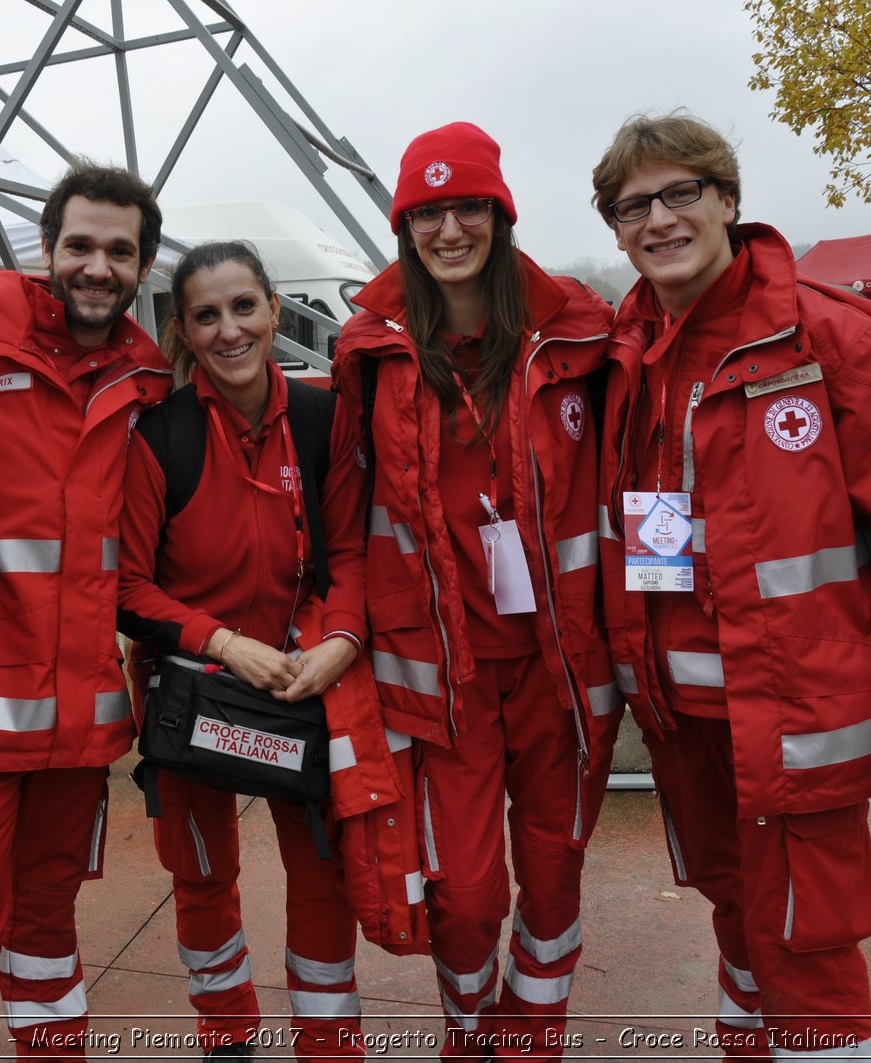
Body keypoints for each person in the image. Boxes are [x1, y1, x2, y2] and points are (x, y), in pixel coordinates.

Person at [589, 111, 871, 1059]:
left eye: (681, 192)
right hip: (686, 716)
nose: (660, 220)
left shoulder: (833, 339)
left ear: (728, 199)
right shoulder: (628, 351)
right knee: (740, 919)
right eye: (633, 205)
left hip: (800, 717)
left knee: (808, 941)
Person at [331, 122, 622, 1060]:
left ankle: (534, 1028)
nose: (448, 228)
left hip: (562, 666)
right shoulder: (369, 350)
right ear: (405, 225)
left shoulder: (581, 333)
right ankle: (469, 1024)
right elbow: (343, 506)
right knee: (461, 891)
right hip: (439, 671)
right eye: (426, 211)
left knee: (554, 863)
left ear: (499, 213)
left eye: (466, 208)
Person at [0, 160, 172, 1061]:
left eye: (120, 251)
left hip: (79, 736)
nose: (98, 265)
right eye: (81, 245)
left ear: (142, 265)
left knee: (50, 938)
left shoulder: (145, 378)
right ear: (46, 249)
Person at [116, 241, 369, 1059]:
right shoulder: (159, 435)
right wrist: (224, 642)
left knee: (325, 874)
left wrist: (338, 636)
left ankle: (329, 1043)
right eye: (206, 315)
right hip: (192, 692)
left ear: (272, 307)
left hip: (304, 682)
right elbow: (124, 585)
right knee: (200, 872)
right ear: (183, 331)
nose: (230, 331)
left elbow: (354, 553)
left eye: (244, 307)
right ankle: (228, 1034)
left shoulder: (322, 415)